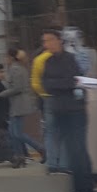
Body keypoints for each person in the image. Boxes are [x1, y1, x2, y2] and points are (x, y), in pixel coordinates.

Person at [40, 29, 94, 192]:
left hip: (75, 111)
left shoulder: (70, 59)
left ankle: (84, 190)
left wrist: (57, 84)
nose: (46, 44)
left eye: (49, 40)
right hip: (59, 111)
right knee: (71, 151)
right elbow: (45, 84)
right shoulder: (48, 61)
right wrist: (58, 84)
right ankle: (79, 189)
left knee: (78, 150)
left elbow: (72, 81)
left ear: (59, 41)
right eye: (44, 41)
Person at [62, 27, 97, 186]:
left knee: (85, 138)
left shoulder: (65, 57)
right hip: (95, 97)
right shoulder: (91, 53)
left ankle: (87, 172)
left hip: (78, 99)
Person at [0, 48, 44, 164]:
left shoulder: (16, 69)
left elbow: (17, 88)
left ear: (11, 57)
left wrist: (1, 95)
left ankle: (38, 149)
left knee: (16, 132)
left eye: (6, 57)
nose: (5, 59)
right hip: (16, 104)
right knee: (14, 132)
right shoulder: (16, 68)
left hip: (19, 104)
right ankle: (19, 155)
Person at [31, 46, 68, 174]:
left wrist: (44, 94)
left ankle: (51, 164)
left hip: (47, 99)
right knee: (63, 132)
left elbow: (35, 83)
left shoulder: (39, 60)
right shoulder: (62, 57)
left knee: (50, 132)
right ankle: (63, 163)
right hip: (62, 98)